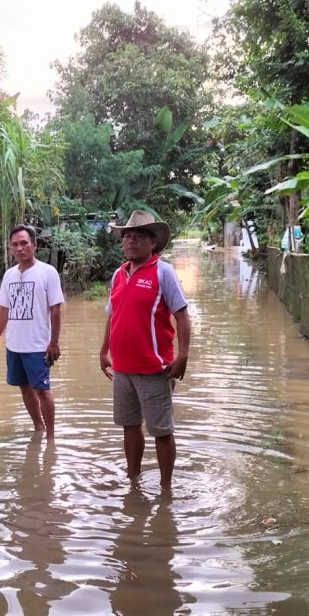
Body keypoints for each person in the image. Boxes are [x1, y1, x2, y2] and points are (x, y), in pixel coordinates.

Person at [99, 210, 191, 494]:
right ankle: (133, 482)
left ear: (153, 243)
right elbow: (112, 316)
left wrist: (183, 355)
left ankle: (166, 489)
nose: (131, 241)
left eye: (138, 237)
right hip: (123, 369)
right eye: (127, 236)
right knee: (129, 426)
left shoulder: (163, 272)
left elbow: (182, 315)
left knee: (162, 431)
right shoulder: (118, 275)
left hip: (155, 369)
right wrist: (104, 352)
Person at [0, 224, 65, 439]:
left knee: (43, 391)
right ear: (10, 249)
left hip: (38, 346)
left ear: (34, 245)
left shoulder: (47, 272)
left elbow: (55, 310)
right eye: (15, 245)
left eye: (24, 243)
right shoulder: (8, 275)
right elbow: (4, 311)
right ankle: (38, 428)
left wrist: (53, 342)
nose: (19, 248)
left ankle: (51, 438)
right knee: (24, 388)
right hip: (14, 345)